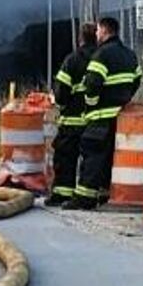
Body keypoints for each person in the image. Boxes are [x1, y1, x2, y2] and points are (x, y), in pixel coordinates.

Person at [71, 15, 142, 210]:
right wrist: (124, 99)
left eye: (98, 30)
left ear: (104, 30)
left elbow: (92, 83)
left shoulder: (101, 55)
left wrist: (91, 104)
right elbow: (137, 79)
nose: (96, 33)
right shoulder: (130, 55)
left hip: (101, 116)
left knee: (92, 154)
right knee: (110, 156)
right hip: (121, 117)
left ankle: (84, 198)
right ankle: (103, 194)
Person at [46, 22, 98, 207]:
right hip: (95, 122)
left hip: (71, 122)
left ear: (80, 39)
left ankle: (62, 194)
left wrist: (58, 103)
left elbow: (61, 92)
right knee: (91, 161)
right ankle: (88, 196)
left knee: (65, 159)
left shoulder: (72, 60)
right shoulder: (101, 59)